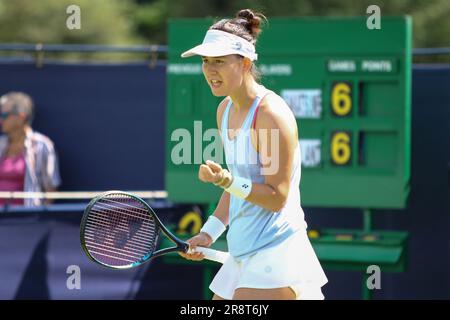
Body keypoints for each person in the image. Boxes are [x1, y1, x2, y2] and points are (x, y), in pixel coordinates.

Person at [179, 9, 328, 300]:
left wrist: (226, 180)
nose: (210, 70)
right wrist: (208, 233)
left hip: (276, 250)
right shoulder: (224, 111)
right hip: (242, 251)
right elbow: (238, 187)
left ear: (245, 63)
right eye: (206, 61)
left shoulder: (271, 114)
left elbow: (276, 197)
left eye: (219, 61)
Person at [0, 91, 61, 207]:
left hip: (26, 220)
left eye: (4, 115)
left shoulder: (42, 145)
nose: (0, 120)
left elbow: (51, 188)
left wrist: (38, 218)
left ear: (20, 117)